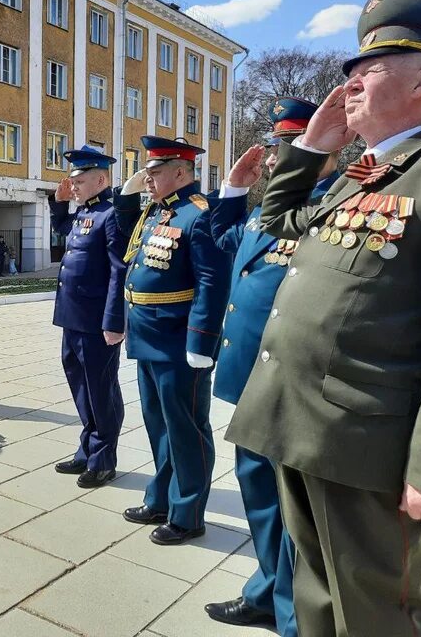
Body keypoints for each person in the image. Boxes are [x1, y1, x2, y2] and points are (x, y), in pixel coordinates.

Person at [225, 0, 421, 636]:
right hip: (300, 423)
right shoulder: (364, 172)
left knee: (379, 611)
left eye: (368, 70)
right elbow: (278, 221)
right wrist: (313, 149)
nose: (347, 86)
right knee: (317, 597)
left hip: (366, 442)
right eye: (348, 72)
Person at [203, 98, 339, 633]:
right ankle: (266, 591)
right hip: (249, 378)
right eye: (281, 146)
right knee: (259, 495)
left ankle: (292, 614)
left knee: (292, 510)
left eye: (293, 145)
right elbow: (226, 243)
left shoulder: (338, 204)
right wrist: (234, 190)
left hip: (291, 384)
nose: (281, 156)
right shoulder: (267, 209)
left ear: (326, 147)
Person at [120, 136, 231, 545]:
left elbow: (212, 282)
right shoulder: (156, 213)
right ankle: (162, 498)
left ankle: (188, 513)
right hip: (149, 333)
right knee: (158, 423)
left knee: (185, 427)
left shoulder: (199, 214)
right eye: (147, 173)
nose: (147, 180)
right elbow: (125, 247)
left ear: (181, 173)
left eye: (155, 172)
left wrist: (201, 341)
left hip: (178, 339)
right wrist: (133, 192)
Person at [48, 146, 133, 488]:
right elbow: (63, 231)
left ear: (100, 179)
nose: (74, 187)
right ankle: (87, 450)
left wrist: (114, 321)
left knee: (101, 390)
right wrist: (59, 202)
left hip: (97, 321)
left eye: (80, 181)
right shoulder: (85, 213)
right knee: (81, 386)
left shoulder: (112, 214)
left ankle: (103, 460)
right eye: (72, 181)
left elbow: (118, 270)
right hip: (73, 317)